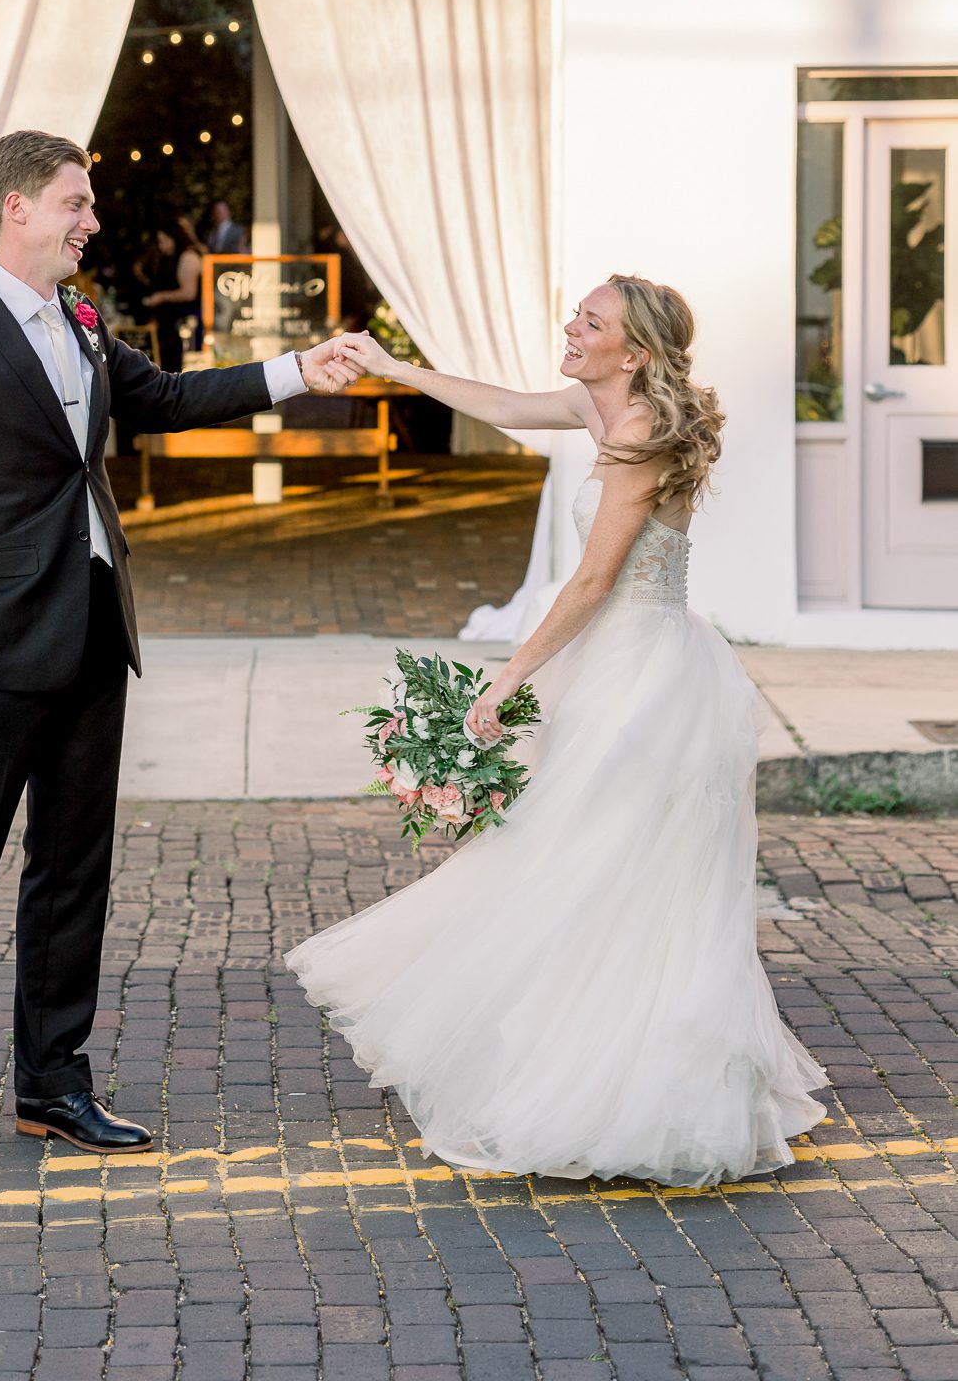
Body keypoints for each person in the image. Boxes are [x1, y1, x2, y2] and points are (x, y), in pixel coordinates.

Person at [0, 131, 355, 1186]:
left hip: (91, 631)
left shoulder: (83, 322)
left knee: (73, 868)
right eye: (76, 202)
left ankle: (52, 1084)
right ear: (17, 209)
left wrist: (295, 369)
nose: (92, 219)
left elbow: (167, 399)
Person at [287, 275, 828, 1187]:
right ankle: (580, 1053)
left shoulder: (641, 435)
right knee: (592, 868)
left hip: (642, 683)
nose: (570, 329)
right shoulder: (598, 403)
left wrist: (504, 679)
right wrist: (392, 366)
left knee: (598, 870)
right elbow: (498, 402)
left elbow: (589, 585)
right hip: (613, 669)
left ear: (636, 352)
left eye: (591, 322)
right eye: (576, 315)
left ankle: (627, 1083)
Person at [137, 213, 205, 369]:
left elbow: (189, 293)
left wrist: (160, 297)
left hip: (186, 325)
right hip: (172, 325)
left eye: (163, 241)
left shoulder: (189, 256)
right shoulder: (173, 257)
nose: (162, 246)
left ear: (174, 237)